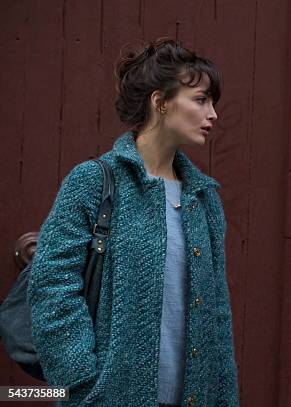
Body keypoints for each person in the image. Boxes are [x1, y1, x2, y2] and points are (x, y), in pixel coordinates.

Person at [28, 38, 238, 407]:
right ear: (160, 102)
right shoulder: (94, 182)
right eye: (201, 100)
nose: (213, 114)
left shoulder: (203, 199)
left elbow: (217, 318)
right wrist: (81, 378)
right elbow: (50, 284)